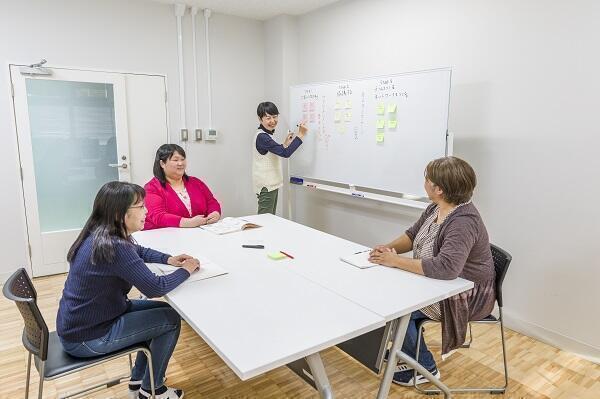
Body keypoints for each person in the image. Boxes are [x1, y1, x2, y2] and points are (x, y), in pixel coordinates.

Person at [56, 181, 200, 399]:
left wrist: (169, 259)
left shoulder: (102, 234)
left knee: (167, 313)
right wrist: (187, 270)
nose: (147, 211)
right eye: (140, 207)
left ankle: (139, 379)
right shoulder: (115, 246)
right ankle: (153, 389)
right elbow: (154, 287)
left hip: (85, 322)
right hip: (88, 337)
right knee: (170, 322)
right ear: (118, 213)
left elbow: (139, 251)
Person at [369, 156, 495, 387]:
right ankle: (405, 349)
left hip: (465, 297)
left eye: (427, 179)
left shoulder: (463, 222)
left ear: (439, 189)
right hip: (440, 285)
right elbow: (412, 235)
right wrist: (388, 249)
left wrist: (394, 261)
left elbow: (446, 268)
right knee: (385, 292)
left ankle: (424, 367)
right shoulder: (436, 207)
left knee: (395, 305)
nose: (424, 182)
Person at [144, 144, 221, 229]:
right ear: (162, 163)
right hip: (167, 236)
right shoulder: (152, 187)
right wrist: (186, 222)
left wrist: (215, 212)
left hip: (200, 232)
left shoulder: (196, 182)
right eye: (175, 160)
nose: (180, 163)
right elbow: (157, 215)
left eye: (183, 159)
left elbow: (211, 202)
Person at [253, 101, 308, 214]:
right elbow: (285, 153)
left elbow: (276, 151)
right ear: (260, 119)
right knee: (265, 221)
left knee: (270, 218)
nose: (272, 121)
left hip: (271, 184)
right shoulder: (262, 137)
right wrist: (301, 135)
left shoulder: (266, 135)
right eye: (268, 118)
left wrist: (284, 144)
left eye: (275, 116)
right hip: (266, 186)